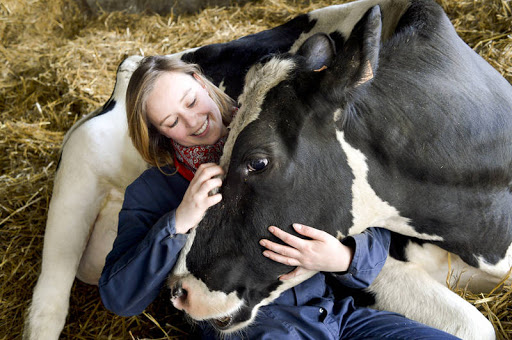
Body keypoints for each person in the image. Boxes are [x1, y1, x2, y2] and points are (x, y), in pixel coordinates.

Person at [99, 55, 460, 339]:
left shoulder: (279, 131)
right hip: (254, 329)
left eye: (191, 102)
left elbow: (363, 211)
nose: (193, 122)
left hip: (340, 314)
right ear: (157, 133)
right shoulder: (152, 191)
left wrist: (344, 257)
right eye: (172, 122)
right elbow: (120, 297)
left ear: (201, 83)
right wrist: (179, 221)